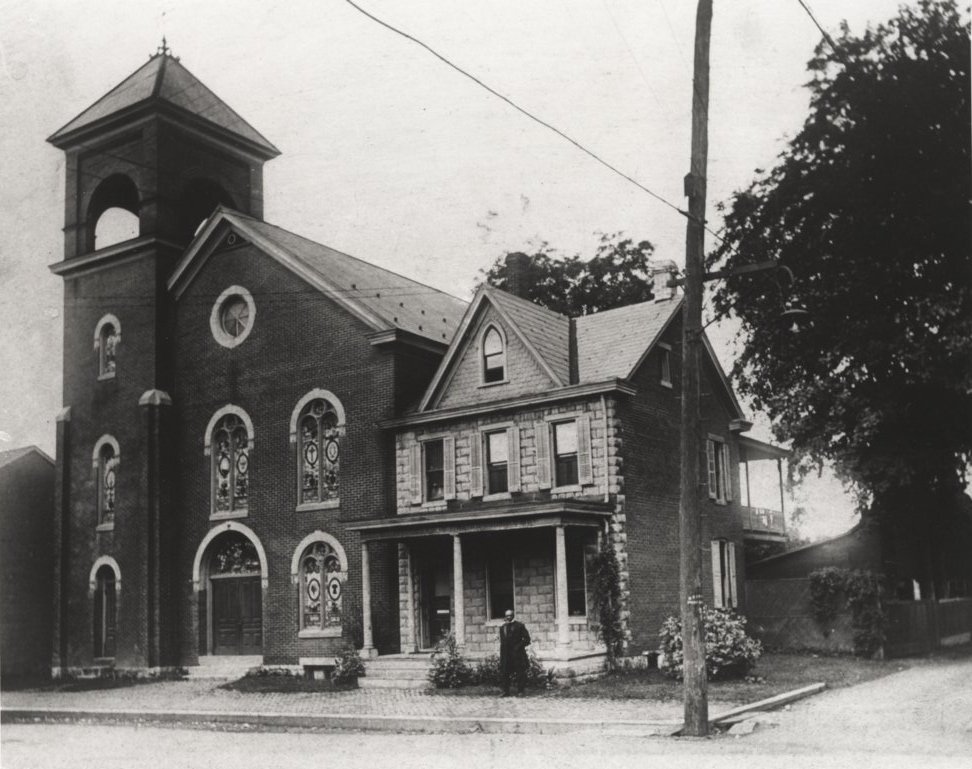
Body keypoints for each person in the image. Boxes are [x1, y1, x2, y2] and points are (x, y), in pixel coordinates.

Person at [498, 608, 531, 696]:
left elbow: (527, 640)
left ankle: (520, 691)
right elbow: (502, 642)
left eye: (510, 615)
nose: (508, 617)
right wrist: (502, 655)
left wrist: (518, 647)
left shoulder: (520, 626)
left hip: (517, 654)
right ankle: (505, 691)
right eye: (506, 616)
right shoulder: (502, 627)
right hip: (506, 655)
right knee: (505, 673)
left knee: (520, 672)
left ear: (513, 615)